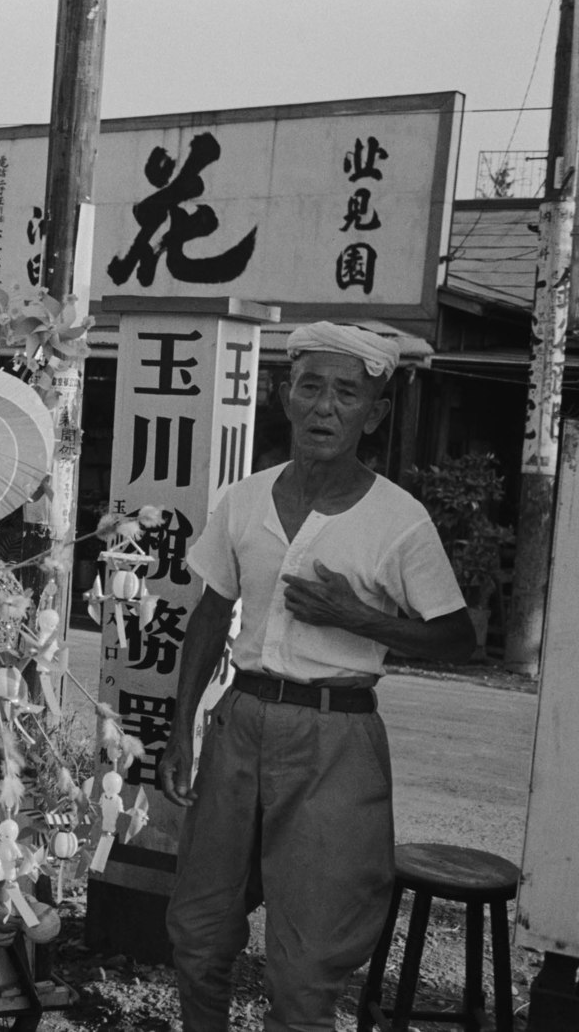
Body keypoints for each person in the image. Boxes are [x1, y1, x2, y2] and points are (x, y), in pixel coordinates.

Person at [157, 321, 477, 1032]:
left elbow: (459, 637)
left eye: (347, 393)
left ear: (376, 412)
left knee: (306, 968)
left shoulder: (400, 520)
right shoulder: (244, 499)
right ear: (284, 395)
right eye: (310, 387)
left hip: (338, 737)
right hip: (241, 719)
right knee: (197, 934)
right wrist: (181, 730)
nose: (325, 407)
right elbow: (211, 615)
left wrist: (357, 617)